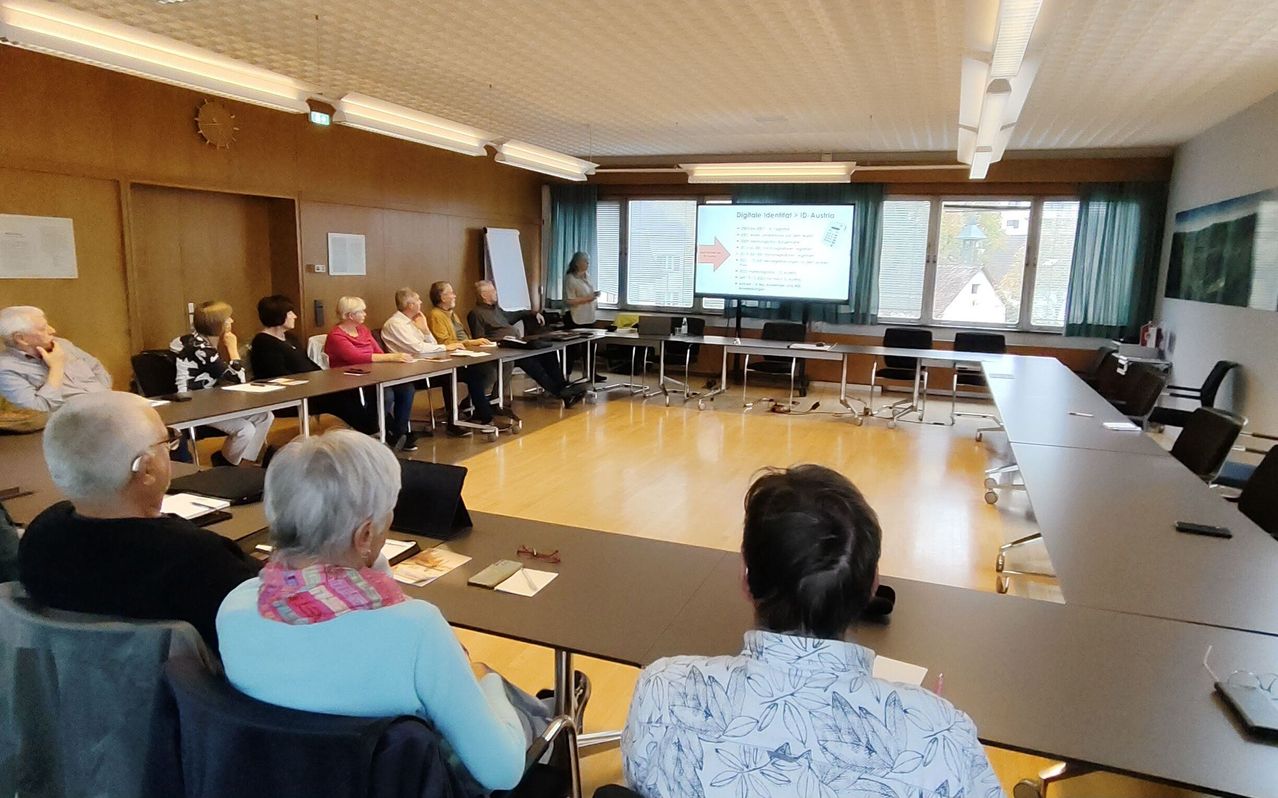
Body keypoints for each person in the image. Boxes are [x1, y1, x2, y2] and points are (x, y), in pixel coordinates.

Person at [621, 465, 1002, 798]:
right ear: (872, 586)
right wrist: (921, 717)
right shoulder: (943, 735)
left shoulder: (661, 691)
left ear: (746, 577)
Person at [216, 429, 559, 795]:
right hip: (402, 781)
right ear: (364, 535)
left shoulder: (235, 608)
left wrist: (367, 563)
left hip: (284, 781)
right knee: (508, 697)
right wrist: (482, 676)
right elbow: (501, 772)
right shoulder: (415, 630)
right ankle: (553, 715)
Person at [18, 391, 260, 653]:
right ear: (146, 469)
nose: (171, 448)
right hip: (188, 691)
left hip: (75, 687)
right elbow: (266, 635)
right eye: (168, 440)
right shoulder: (200, 560)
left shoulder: (40, 538)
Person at [250, 295, 380, 436]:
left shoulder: (290, 338)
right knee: (342, 398)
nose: (294, 316)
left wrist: (324, 377)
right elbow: (277, 374)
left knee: (350, 389)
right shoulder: (263, 342)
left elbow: (307, 362)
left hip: (310, 386)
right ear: (279, 316)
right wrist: (314, 383)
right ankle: (371, 432)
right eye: (290, 313)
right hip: (290, 394)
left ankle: (373, 430)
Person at [171, 301, 274, 467]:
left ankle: (244, 462)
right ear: (218, 325)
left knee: (265, 416)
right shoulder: (201, 349)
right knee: (245, 429)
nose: (232, 321)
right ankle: (228, 465)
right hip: (194, 404)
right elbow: (238, 379)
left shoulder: (205, 343)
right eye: (228, 319)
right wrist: (232, 348)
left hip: (213, 399)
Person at [322, 296, 422, 452]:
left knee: (406, 389)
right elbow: (355, 357)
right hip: (349, 379)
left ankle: (399, 431)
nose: (364, 314)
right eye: (361, 311)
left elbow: (377, 351)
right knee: (386, 394)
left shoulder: (363, 330)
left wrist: (387, 359)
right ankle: (377, 431)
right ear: (350, 315)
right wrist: (393, 356)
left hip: (374, 374)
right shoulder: (336, 336)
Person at [468, 280, 584, 409]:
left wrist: (532, 313)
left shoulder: (496, 310)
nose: (496, 293)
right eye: (493, 291)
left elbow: (512, 316)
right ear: (484, 295)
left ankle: (564, 387)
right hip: (502, 351)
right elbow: (479, 340)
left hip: (515, 346)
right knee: (531, 364)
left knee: (547, 353)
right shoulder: (476, 314)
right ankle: (562, 393)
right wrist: (500, 343)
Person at [380, 287, 476, 438]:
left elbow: (431, 345)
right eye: (418, 300)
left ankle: (453, 421)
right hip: (405, 372)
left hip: (422, 368)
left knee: (451, 376)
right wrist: (445, 346)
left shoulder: (414, 322)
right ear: (410, 305)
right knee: (408, 389)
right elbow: (418, 348)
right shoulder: (395, 324)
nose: (421, 302)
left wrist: (425, 330)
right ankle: (401, 431)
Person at [424, 282, 511, 428]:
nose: (454, 295)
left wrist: (474, 342)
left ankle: (480, 409)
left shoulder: (452, 314)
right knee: (481, 374)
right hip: (448, 361)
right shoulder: (435, 315)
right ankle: (484, 415)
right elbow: (446, 342)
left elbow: (462, 339)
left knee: (487, 372)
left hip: (463, 355)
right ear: (442, 297)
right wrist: (472, 343)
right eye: (451, 293)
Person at [0, 305, 112, 412]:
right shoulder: (6, 369)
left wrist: (102, 394)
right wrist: (56, 367)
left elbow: (97, 368)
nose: (52, 330)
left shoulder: (62, 344)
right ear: (21, 339)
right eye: (43, 328)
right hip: (74, 423)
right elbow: (38, 410)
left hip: (108, 406)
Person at [562, 253, 603, 381]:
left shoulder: (587, 277)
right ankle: (566, 375)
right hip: (575, 318)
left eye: (588, 261)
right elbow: (569, 300)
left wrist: (594, 296)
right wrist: (589, 298)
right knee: (572, 349)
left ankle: (590, 373)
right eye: (585, 261)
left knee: (589, 347)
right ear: (577, 263)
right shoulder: (570, 278)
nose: (588, 264)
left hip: (588, 316)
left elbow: (589, 293)